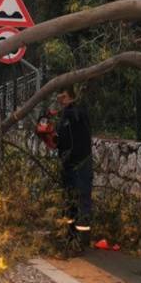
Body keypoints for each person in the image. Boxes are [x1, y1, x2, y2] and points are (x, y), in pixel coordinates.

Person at [55, 86, 93, 248]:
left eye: (64, 97)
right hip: (68, 163)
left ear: (72, 97)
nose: (61, 101)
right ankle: (69, 235)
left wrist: (68, 110)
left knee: (82, 198)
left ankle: (81, 240)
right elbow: (61, 140)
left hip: (81, 163)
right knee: (68, 199)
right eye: (59, 98)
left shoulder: (78, 112)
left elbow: (77, 117)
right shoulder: (63, 117)